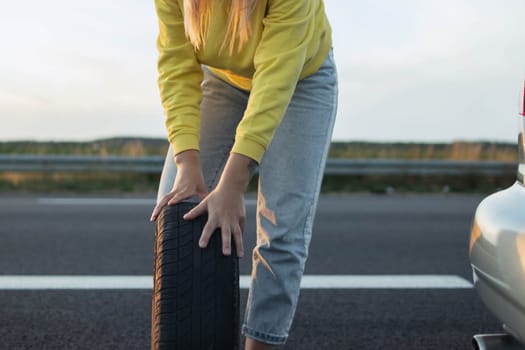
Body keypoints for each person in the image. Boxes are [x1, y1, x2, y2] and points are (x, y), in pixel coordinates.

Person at [150, 0, 338, 348]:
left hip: (298, 80)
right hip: (223, 82)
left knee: (282, 230)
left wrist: (233, 183)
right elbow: (176, 64)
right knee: (177, 207)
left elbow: (275, 78)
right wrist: (186, 163)